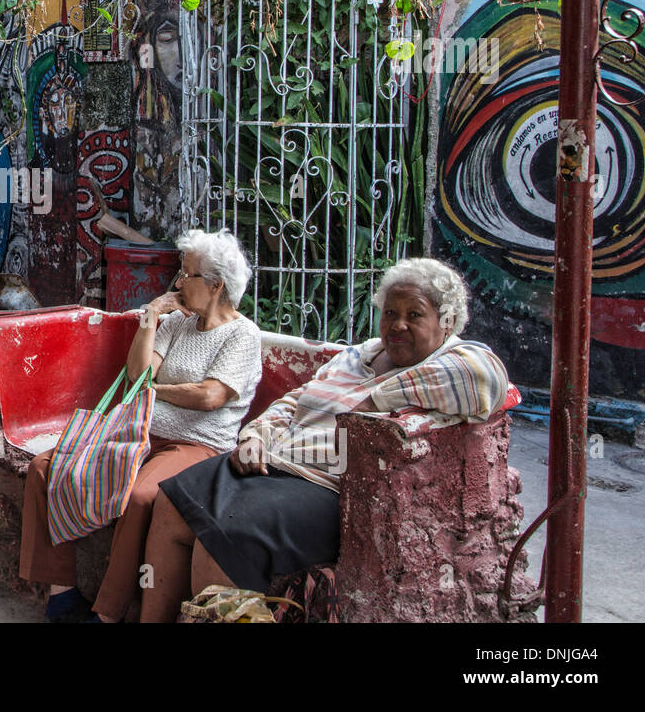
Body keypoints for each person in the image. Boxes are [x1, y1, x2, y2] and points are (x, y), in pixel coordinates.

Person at [139, 257, 511, 622]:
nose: (398, 325)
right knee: (171, 502)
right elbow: (295, 401)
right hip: (274, 459)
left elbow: (487, 381)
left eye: (414, 315)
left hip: (326, 485)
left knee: (221, 537)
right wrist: (254, 435)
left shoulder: (459, 358)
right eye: (390, 313)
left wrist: (376, 397)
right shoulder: (360, 355)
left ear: (446, 322)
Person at [20, 229, 262, 622]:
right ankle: (62, 596)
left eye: (187, 275)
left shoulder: (242, 334)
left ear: (216, 285)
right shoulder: (178, 323)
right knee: (45, 467)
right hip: (140, 430)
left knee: (141, 497)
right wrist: (150, 316)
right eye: (179, 274)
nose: (179, 283)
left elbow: (210, 396)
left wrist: (157, 392)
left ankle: (108, 614)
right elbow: (138, 374)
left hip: (196, 444)